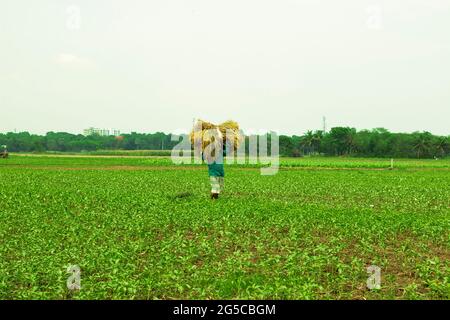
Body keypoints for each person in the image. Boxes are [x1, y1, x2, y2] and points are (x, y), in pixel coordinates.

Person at [203, 129, 226, 199]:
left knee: (219, 188)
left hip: (221, 173)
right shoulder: (208, 153)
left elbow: (225, 151)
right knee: (215, 187)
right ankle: (213, 198)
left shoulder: (220, 152)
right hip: (213, 174)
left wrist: (223, 144)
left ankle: (215, 197)